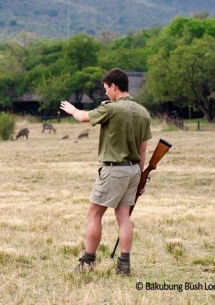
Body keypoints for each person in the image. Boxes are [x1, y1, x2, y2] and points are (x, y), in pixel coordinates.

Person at [60, 68, 152, 275]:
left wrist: (72, 110)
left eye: (105, 89)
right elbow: (144, 149)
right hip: (133, 171)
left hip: (114, 170)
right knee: (124, 216)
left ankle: (88, 260)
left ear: (114, 86)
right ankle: (124, 264)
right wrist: (140, 177)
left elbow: (84, 118)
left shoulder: (112, 109)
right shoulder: (143, 112)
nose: (105, 93)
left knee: (94, 214)